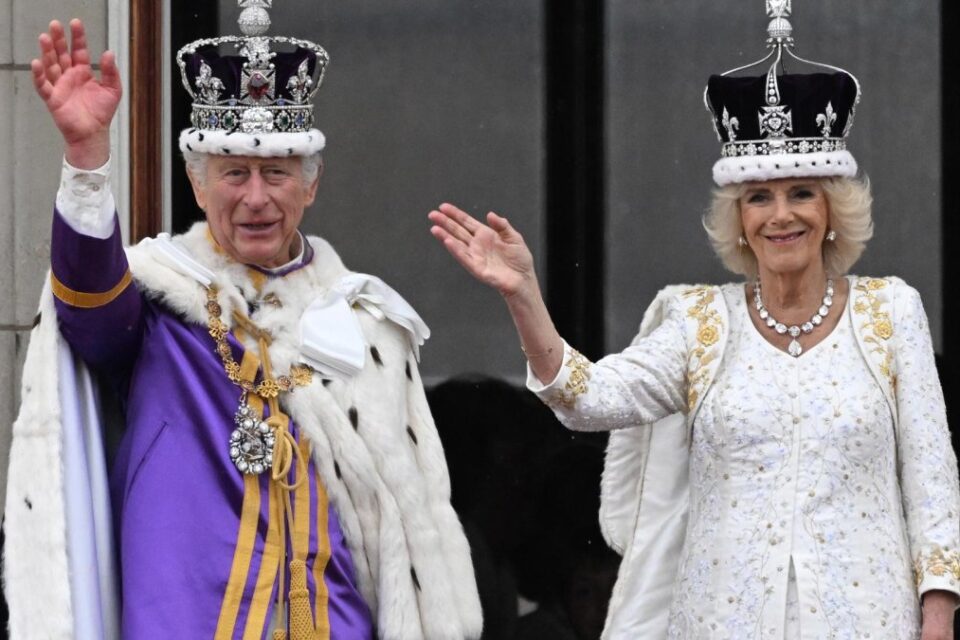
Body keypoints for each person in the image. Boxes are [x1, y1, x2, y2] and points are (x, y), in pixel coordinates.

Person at [428, 6, 960, 640]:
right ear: (738, 218)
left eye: (801, 193)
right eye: (758, 197)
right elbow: (585, 399)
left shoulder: (890, 312)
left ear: (833, 208)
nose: (780, 215)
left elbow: (932, 481)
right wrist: (524, 294)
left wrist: (938, 613)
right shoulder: (698, 321)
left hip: (868, 620)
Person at [2, 6, 482, 639]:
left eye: (276, 173)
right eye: (234, 173)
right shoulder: (158, 302)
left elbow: (407, 532)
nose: (255, 198)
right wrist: (87, 161)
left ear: (310, 186)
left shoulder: (367, 326)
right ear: (198, 186)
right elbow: (88, 305)